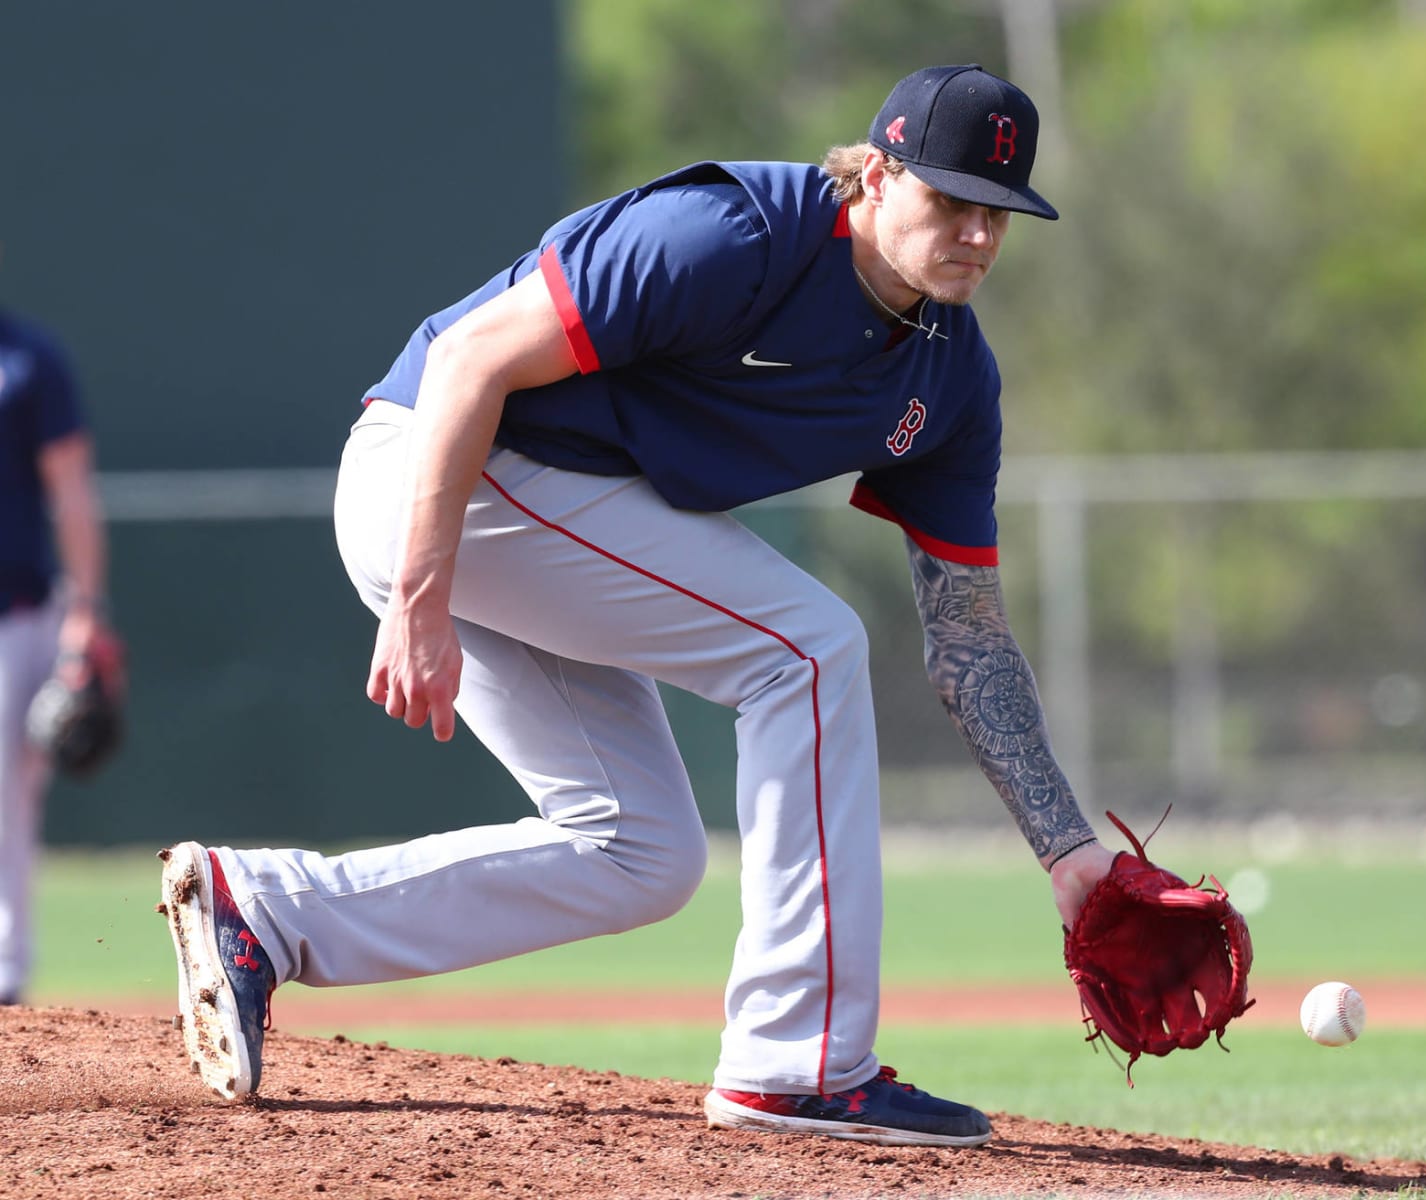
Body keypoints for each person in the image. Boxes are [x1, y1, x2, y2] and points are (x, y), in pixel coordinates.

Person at [160, 63, 1119, 1146]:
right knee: (805, 651)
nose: (977, 236)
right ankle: (795, 1064)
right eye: (950, 199)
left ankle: (267, 914)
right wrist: (419, 597)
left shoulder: (950, 380)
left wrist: (1069, 853)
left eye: (998, 213)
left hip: (542, 512)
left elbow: (967, 640)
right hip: (442, 467)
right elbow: (470, 360)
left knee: (640, 852)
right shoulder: (731, 236)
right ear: (877, 173)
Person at [0, 264, 121, 1007]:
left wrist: (87, 610)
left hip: (17, 615)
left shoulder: (26, 358)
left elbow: (70, 488)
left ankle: (6, 980)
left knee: (9, 796)